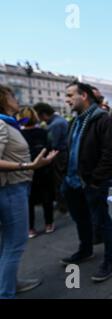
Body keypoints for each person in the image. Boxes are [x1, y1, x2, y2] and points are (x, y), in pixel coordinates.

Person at [0, 85, 58, 298]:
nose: (16, 99)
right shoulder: (2, 124)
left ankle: (10, 283)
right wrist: (29, 166)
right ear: (3, 100)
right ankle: (6, 292)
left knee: (8, 244)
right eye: (11, 95)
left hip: (15, 188)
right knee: (14, 245)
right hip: (11, 190)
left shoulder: (9, 123)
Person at [60, 81, 112, 283]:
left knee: (101, 222)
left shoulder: (102, 119)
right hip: (73, 183)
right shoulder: (75, 121)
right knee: (81, 220)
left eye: (70, 95)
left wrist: (95, 180)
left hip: (92, 184)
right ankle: (85, 250)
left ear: (83, 96)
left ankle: (111, 259)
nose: (66, 100)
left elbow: (110, 153)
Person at [16, 107, 55, 238]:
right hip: (44, 169)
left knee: (29, 201)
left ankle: (31, 228)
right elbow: (51, 148)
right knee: (47, 198)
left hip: (25, 170)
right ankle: (49, 224)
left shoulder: (18, 134)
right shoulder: (43, 132)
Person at [33, 102, 69, 213]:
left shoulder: (55, 124)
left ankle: (63, 205)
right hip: (63, 154)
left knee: (59, 181)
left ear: (43, 114)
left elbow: (53, 144)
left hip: (58, 156)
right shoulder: (59, 120)